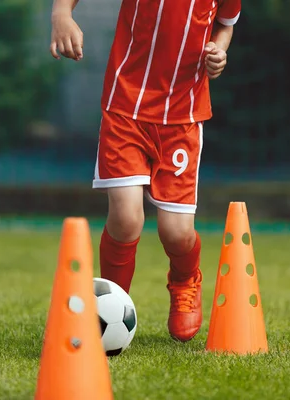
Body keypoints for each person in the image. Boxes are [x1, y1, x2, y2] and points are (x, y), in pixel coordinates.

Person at [50, 0, 241, 342]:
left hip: (183, 118)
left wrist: (219, 51)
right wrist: (61, 14)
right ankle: (110, 307)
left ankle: (185, 280)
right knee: (126, 219)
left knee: (177, 232)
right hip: (126, 108)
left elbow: (225, 24)